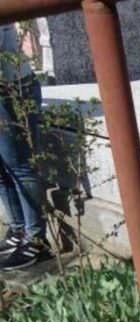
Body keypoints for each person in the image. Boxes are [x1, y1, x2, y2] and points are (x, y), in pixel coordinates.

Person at [0, 24, 51, 270]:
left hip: (12, 89)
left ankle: (37, 241)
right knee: (2, 169)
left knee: (19, 166)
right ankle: (18, 230)